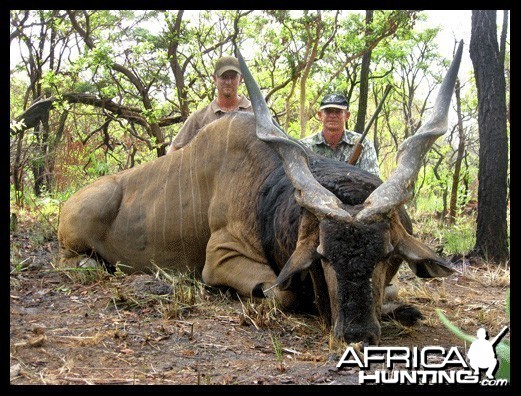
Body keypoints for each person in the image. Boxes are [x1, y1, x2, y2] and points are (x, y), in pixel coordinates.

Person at [167, 55, 252, 154]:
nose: (228, 82)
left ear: (241, 79)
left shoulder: (254, 113)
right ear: (214, 78)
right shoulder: (199, 118)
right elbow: (172, 152)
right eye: (224, 77)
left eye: (233, 77)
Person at [300, 93, 380, 177]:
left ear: (347, 116)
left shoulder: (364, 144)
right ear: (320, 115)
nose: (333, 115)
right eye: (328, 111)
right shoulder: (304, 147)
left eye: (338, 111)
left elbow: (372, 181)